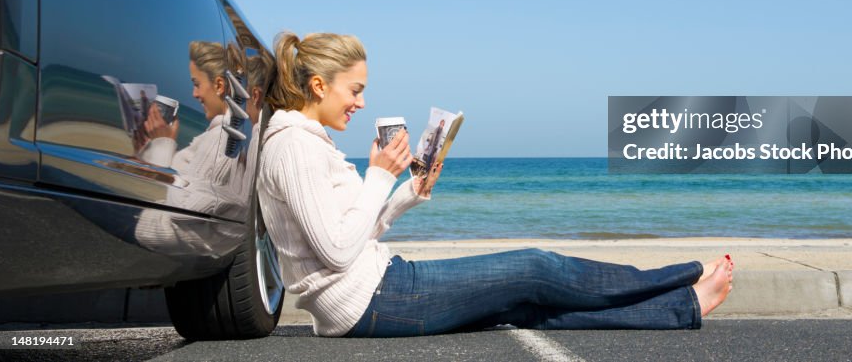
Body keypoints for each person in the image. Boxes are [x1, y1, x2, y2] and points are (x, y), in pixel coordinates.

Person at [257, 31, 734, 338]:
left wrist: (407, 192)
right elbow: (337, 252)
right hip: (371, 299)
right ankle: (683, 273)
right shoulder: (295, 146)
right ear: (319, 86)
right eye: (355, 90)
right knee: (534, 266)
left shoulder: (307, 143)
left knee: (527, 305)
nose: (360, 102)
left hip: (374, 293)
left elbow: (348, 235)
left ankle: (682, 305)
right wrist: (380, 175)